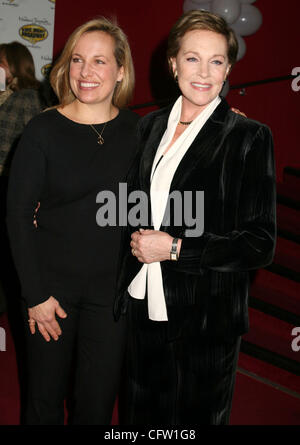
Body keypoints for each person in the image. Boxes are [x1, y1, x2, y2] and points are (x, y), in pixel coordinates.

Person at [115, 10, 276, 425]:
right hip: (142, 307)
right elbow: (129, 208)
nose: (204, 72)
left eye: (216, 60)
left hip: (206, 318)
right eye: (192, 58)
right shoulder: (148, 127)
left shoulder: (249, 137)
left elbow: (260, 242)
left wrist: (174, 248)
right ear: (173, 64)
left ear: (227, 70)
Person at [6, 17, 139, 425]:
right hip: (51, 293)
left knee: (96, 406)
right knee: (44, 404)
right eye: (78, 60)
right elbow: (16, 214)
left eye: (100, 61)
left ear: (120, 71)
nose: (86, 72)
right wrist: (36, 295)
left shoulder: (140, 131)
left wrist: (225, 118)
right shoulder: (42, 129)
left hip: (111, 296)